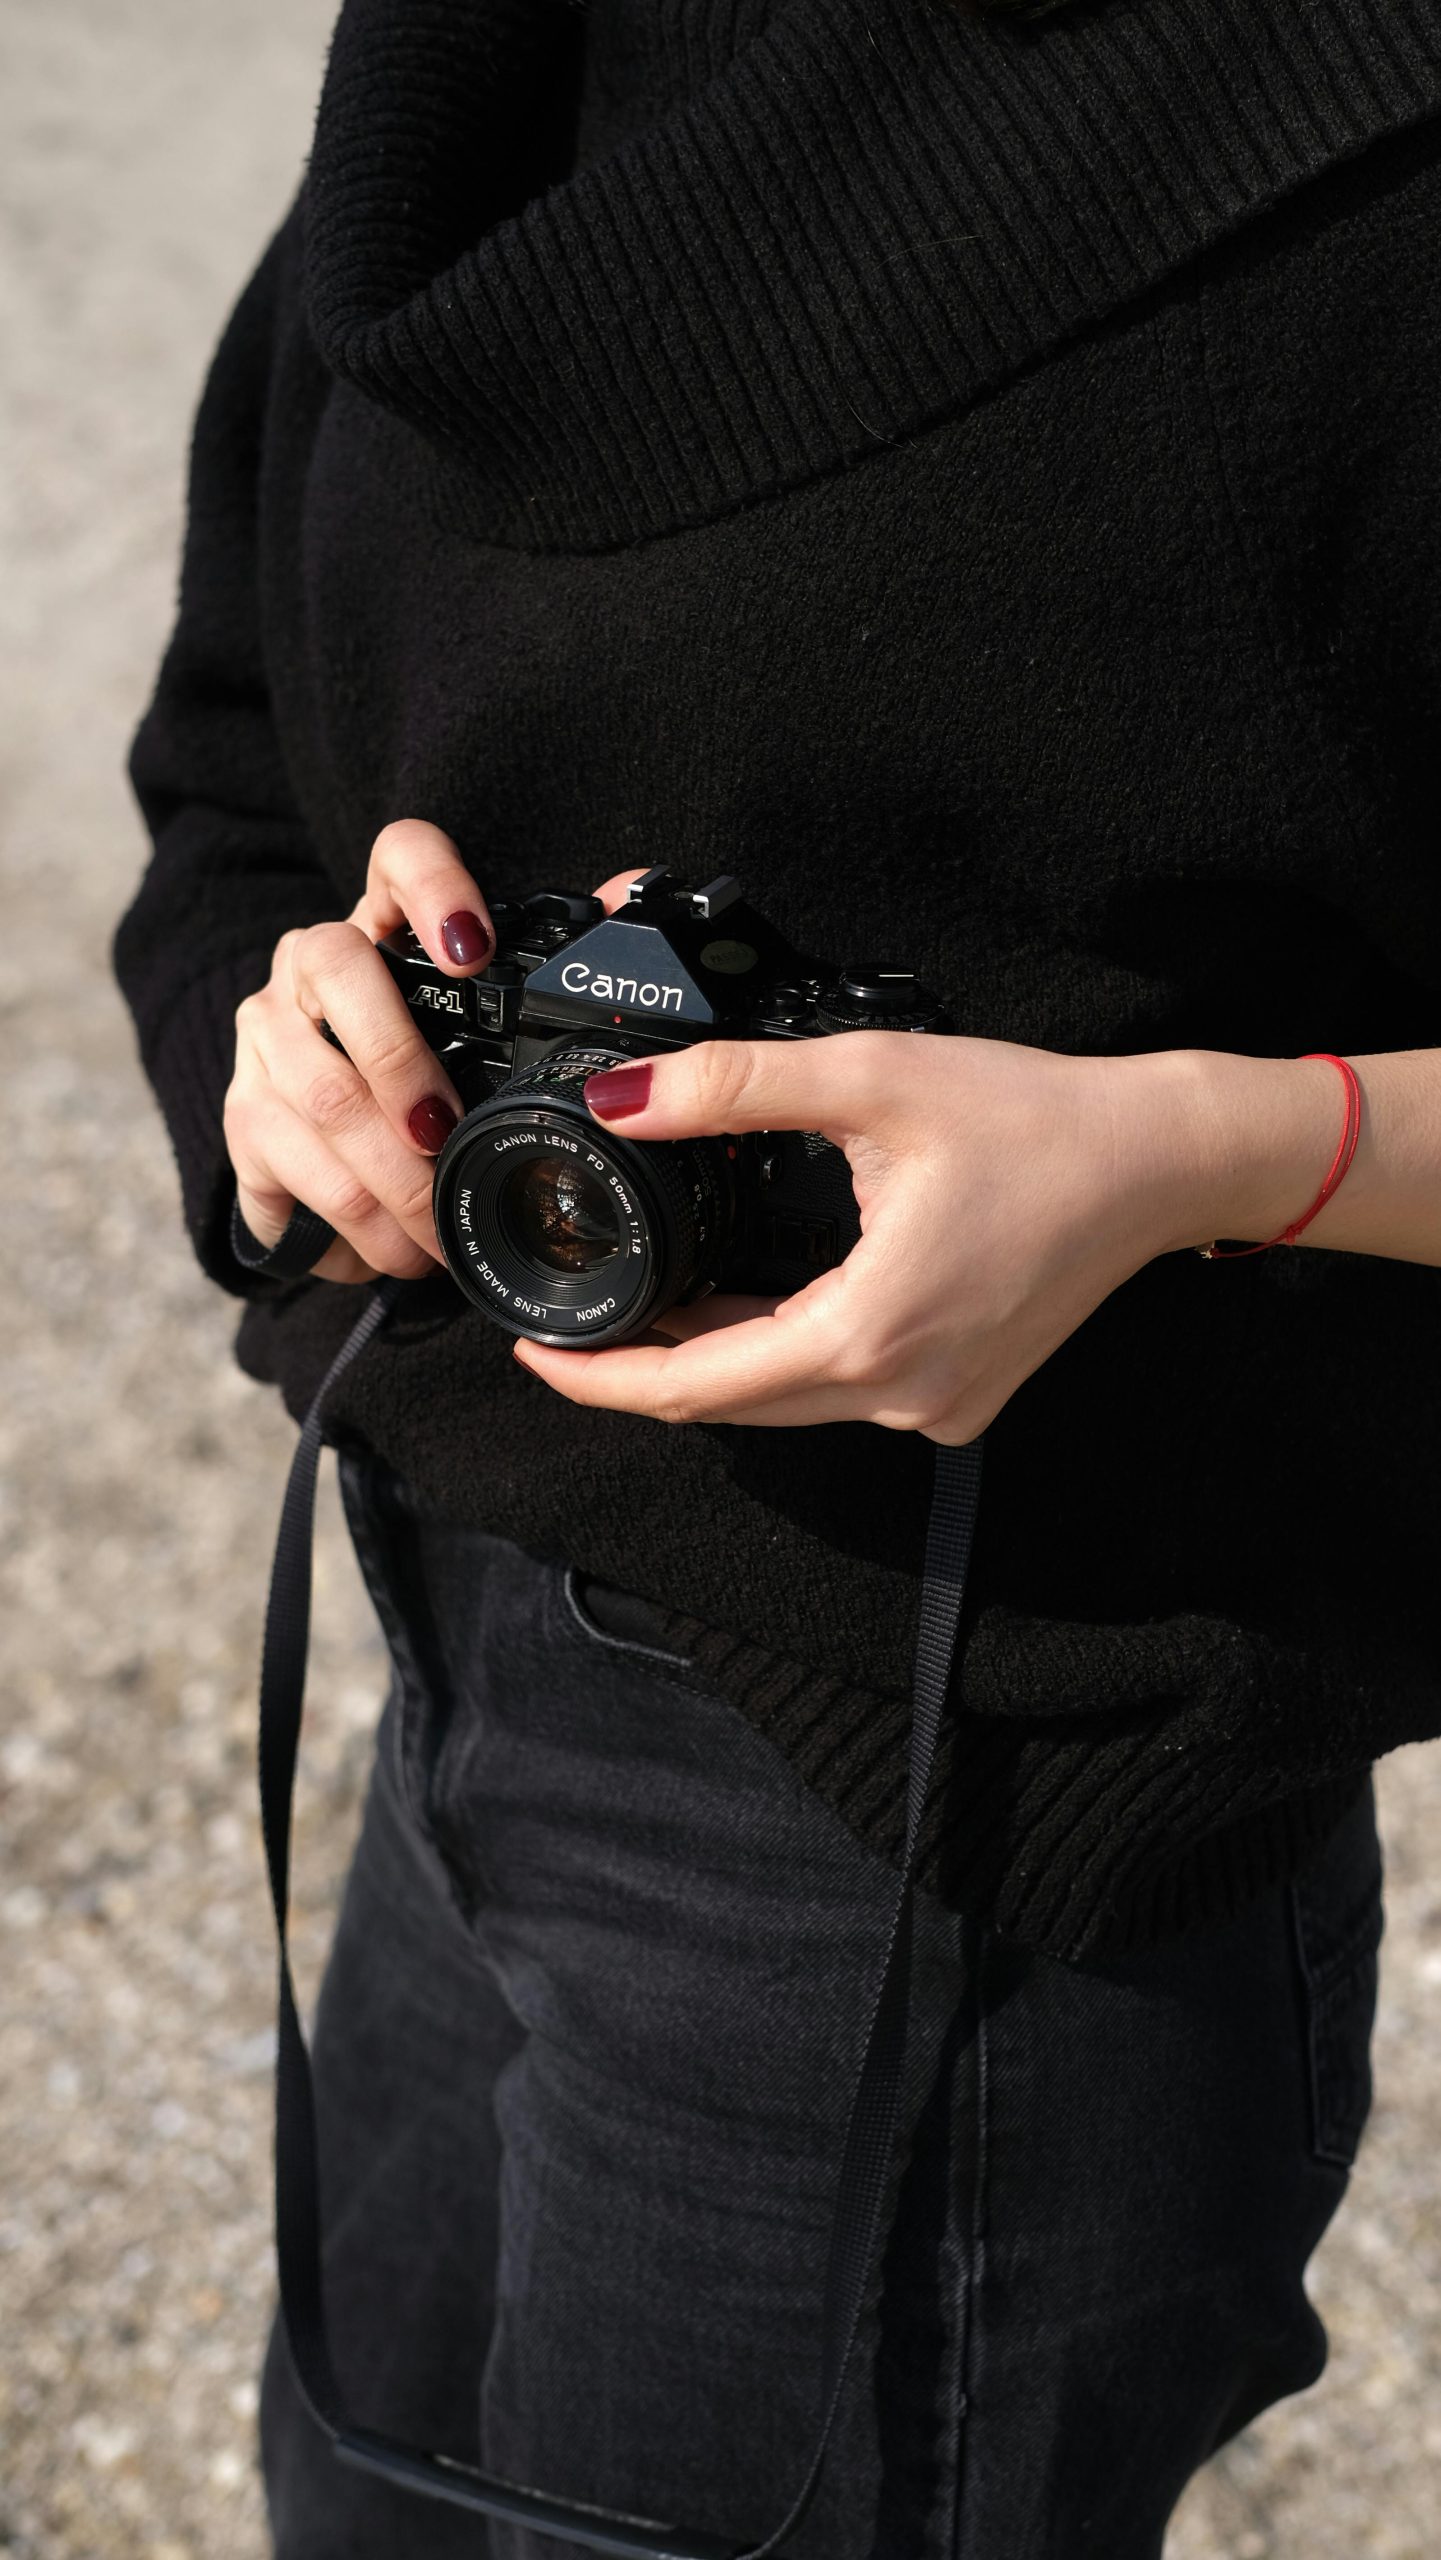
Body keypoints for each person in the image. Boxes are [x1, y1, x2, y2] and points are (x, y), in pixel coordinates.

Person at [115, 0, 1441, 2552]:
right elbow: (231, 754)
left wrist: (1198, 1150)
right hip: (462, 1642)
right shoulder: (479, 65)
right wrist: (285, 1060)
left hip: (967, 1798)